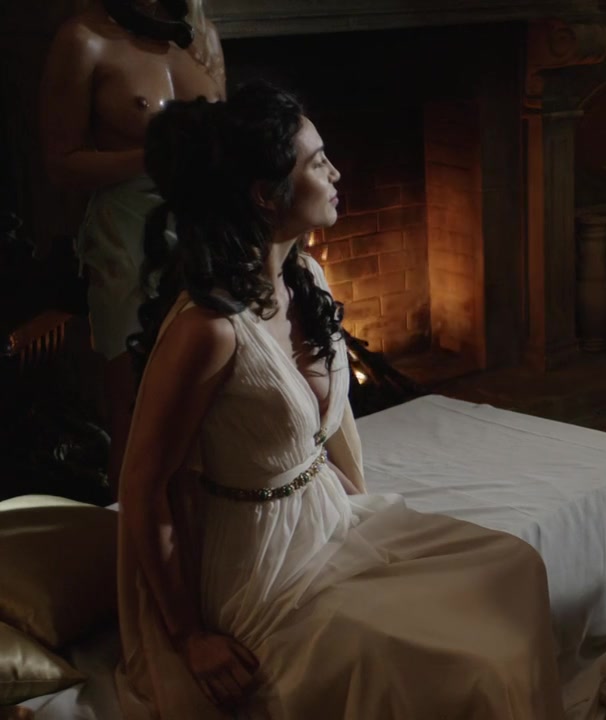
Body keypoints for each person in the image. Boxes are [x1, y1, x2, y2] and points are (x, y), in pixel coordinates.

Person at [114, 81, 563, 719]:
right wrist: (188, 636)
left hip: (327, 518)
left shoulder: (307, 278)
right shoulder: (208, 331)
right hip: (258, 567)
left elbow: (328, 433)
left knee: (514, 565)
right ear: (265, 194)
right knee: (458, 658)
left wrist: (357, 506)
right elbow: (143, 486)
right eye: (318, 161)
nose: (337, 173)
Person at [38, 0, 226, 495]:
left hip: (205, 231)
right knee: (136, 403)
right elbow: (61, 163)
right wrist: (153, 157)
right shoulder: (84, 39)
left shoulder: (202, 35)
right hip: (128, 236)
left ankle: (203, 527)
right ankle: (128, 535)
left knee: (212, 397)